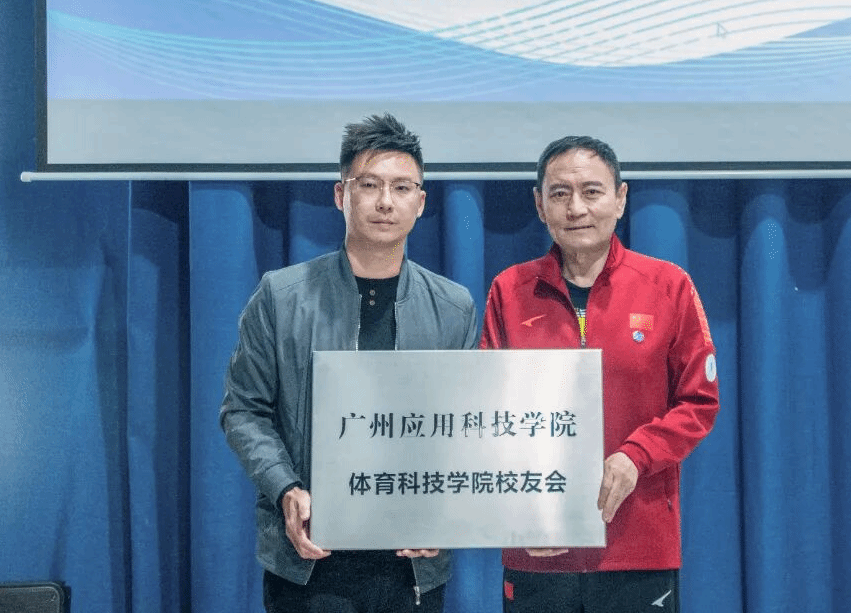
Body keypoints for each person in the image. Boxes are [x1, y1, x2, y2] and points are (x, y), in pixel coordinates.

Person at [220, 113, 479, 613]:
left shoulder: (453, 306)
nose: (385, 201)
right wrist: (285, 489)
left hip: (412, 565)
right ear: (341, 194)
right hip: (309, 559)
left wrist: (444, 512)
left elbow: (466, 427)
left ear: (421, 202)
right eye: (370, 185)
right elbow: (243, 410)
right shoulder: (281, 296)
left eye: (402, 187)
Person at [480, 136, 719, 613]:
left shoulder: (668, 286)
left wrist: (636, 455)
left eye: (592, 192)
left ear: (620, 198)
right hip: (539, 547)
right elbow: (488, 413)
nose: (576, 208)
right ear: (539, 205)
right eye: (560, 194)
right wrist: (522, 512)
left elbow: (699, 402)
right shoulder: (509, 290)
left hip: (639, 544)